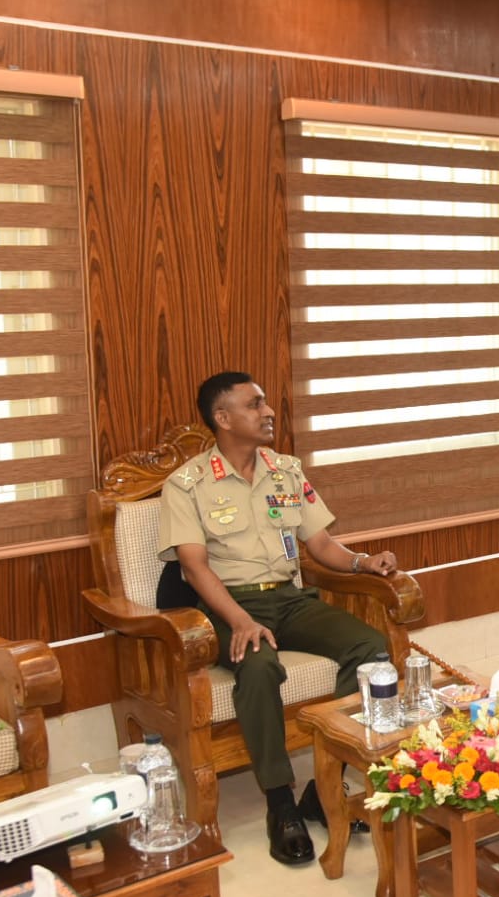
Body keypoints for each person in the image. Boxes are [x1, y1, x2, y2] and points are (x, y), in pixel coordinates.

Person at [157, 371, 397, 866]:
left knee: (370, 648)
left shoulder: (285, 470)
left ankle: (327, 782)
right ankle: (280, 801)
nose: (268, 411)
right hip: (226, 604)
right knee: (260, 665)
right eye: (254, 404)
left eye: (265, 402)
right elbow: (195, 568)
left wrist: (362, 562)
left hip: (289, 599)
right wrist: (241, 620)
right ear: (223, 418)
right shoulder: (187, 484)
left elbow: (320, 544)